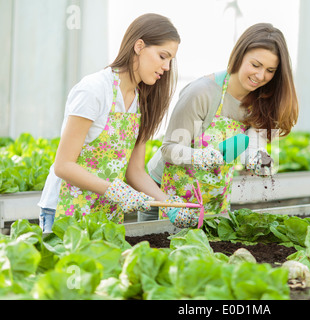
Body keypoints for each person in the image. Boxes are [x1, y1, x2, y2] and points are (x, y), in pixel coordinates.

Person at [38, 13, 194, 232]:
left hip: (106, 213)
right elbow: (64, 166)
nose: (167, 67)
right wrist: (116, 190)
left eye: (170, 60)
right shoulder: (94, 90)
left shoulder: (141, 101)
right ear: (139, 46)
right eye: (162, 56)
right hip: (67, 209)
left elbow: (135, 171)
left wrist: (169, 204)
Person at [145, 23, 299, 227]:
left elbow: (250, 143)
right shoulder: (202, 93)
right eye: (255, 65)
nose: (261, 76)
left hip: (213, 197)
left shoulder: (263, 101)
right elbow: (169, 149)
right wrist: (203, 157)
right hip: (164, 194)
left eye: (270, 70)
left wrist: (255, 158)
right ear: (239, 55)